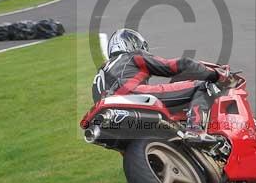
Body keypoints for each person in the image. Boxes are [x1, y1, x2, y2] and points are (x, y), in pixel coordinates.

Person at [93, 28, 227, 144]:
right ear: (131, 43)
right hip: (131, 96)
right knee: (202, 86)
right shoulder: (133, 56)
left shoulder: (101, 72)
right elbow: (176, 65)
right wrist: (215, 75)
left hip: (105, 117)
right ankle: (195, 130)